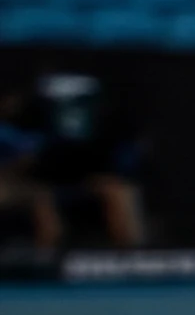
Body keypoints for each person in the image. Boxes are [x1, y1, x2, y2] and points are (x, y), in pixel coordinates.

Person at [0, 72, 151, 259]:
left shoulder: (96, 131)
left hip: (64, 183)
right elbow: (19, 163)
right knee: (40, 198)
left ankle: (134, 258)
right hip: (18, 185)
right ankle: (46, 262)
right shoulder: (13, 131)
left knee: (119, 192)